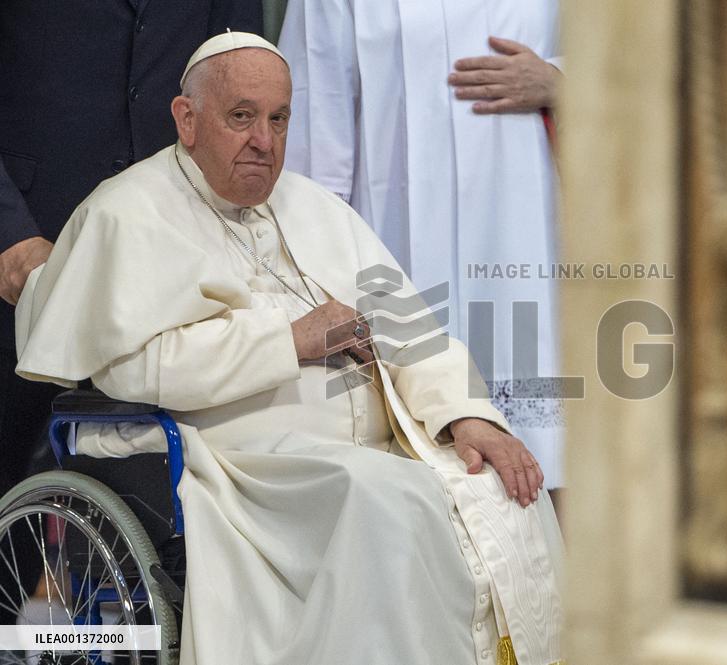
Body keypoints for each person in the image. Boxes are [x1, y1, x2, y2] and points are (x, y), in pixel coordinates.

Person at [15, 32, 563, 665]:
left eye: (279, 119)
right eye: (241, 117)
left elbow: (408, 325)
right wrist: (290, 339)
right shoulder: (126, 214)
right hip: (230, 461)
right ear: (186, 119)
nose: (264, 142)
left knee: (503, 487)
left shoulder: (315, 207)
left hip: (362, 450)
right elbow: (139, 367)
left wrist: (466, 415)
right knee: (382, 496)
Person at [0, 0, 263, 625]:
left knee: (132, 527)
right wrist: (8, 232)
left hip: (172, 268)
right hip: (29, 249)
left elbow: (240, 65)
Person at [277, 1, 568, 497]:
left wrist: (561, 83)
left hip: (527, 231)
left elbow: (640, 54)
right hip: (396, 235)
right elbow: (314, 120)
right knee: (417, 455)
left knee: (548, 437)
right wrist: (313, 264)